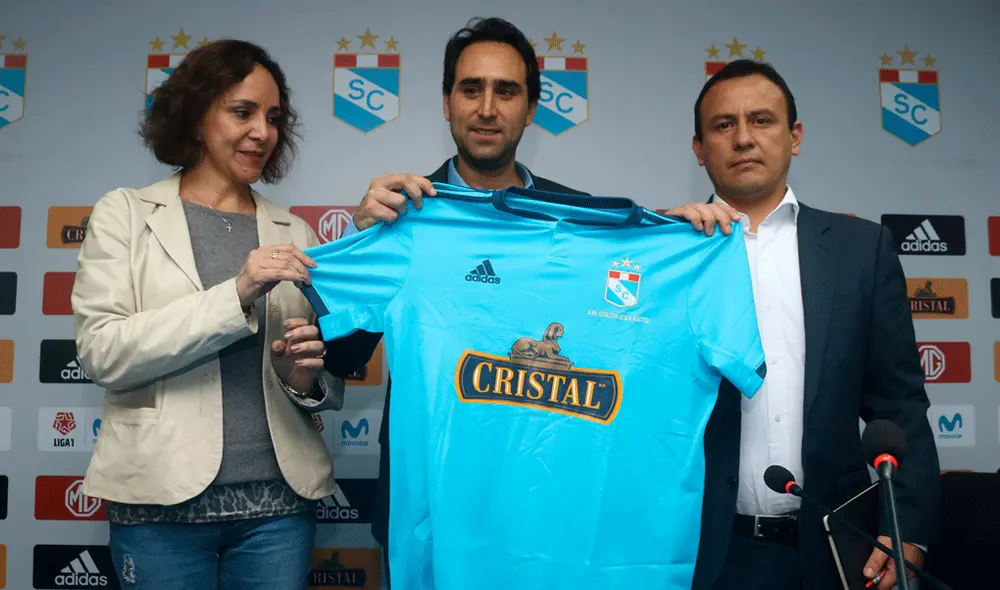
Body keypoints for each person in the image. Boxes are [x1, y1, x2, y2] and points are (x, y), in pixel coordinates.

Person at [320, 17, 593, 587]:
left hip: (546, 513)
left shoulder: (583, 220)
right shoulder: (402, 214)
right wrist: (361, 234)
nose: (487, 108)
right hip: (429, 517)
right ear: (447, 103)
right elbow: (339, 357)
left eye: (507, 91)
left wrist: (685, 233)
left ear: (532, 106)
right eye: (471, 89)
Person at [71, 39, 344, 590]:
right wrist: (237, 291)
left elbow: (326, 384)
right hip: (158, 509)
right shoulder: (124, 214)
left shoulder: (296, 234)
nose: (262, 132)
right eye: (242, 112)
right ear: (195, 117)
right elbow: (103, 351)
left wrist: (305, 381)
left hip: (278, 509)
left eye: (272, 117)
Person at [674, 59, 941, 590]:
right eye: (724, 125)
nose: (744, 139)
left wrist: (906, 526)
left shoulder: (860, 251)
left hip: (833, 551)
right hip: (701, 553)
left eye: (763, 121)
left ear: (794, 137)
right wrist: (661, 251)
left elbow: (900, 404)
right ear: (700, 148)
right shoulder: (665, 252)